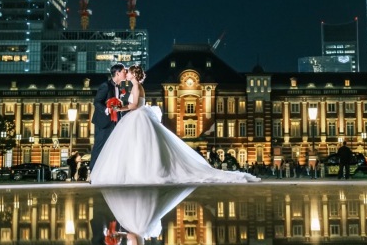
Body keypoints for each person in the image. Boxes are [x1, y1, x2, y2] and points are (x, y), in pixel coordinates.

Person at [90, 65, 260, 184]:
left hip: (136, 117)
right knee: (140, 146)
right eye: (124, 72)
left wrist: (120, 107)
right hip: (136, 118)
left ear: (134, 75)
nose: (126, 73)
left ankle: (137, 172)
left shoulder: (135, 87)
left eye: (128, 72)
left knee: (138, 146)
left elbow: (134, 105)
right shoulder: (135, 87)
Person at [91, 63, 129, 172]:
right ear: (117, 73)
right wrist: (107, 109)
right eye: (124, 71)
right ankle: (93, 173)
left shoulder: (119, 87)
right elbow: (96, 102)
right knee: (99, 148)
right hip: (103, 122)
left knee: (110, 148)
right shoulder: (105, 86)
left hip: (115, 122)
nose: (126, 73)